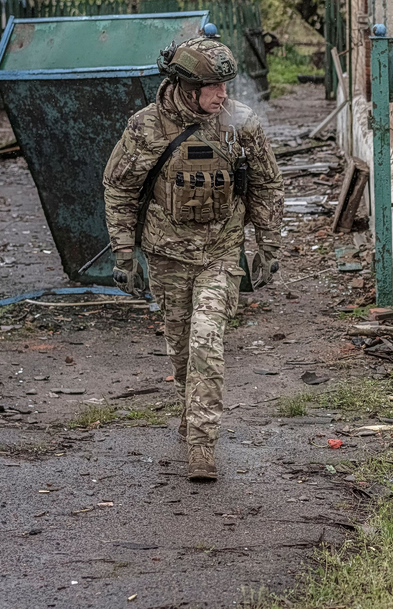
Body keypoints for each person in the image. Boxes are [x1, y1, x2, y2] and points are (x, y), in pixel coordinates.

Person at [103, 29, 283, 481]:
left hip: (221, 252)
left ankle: (202, 445)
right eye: (213, 88)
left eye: (226, 87)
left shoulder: (242, 125)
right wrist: (124, 254)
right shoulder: (145, 127)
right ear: (186, 87)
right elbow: (119, 189)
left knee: (207, 342)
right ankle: (190, 412)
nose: (222, 95)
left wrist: (268, 246)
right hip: (166, 254)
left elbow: (267, 186)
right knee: (182, 349)